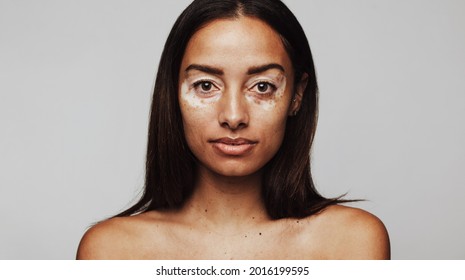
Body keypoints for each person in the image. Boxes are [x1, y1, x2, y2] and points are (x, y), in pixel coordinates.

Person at [77, 0, 390, 259]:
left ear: (297, 95)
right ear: (172, 93)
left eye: (263, 86)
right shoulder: (112, 251)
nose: (233, 115)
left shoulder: (351, 244)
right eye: (205, 85)